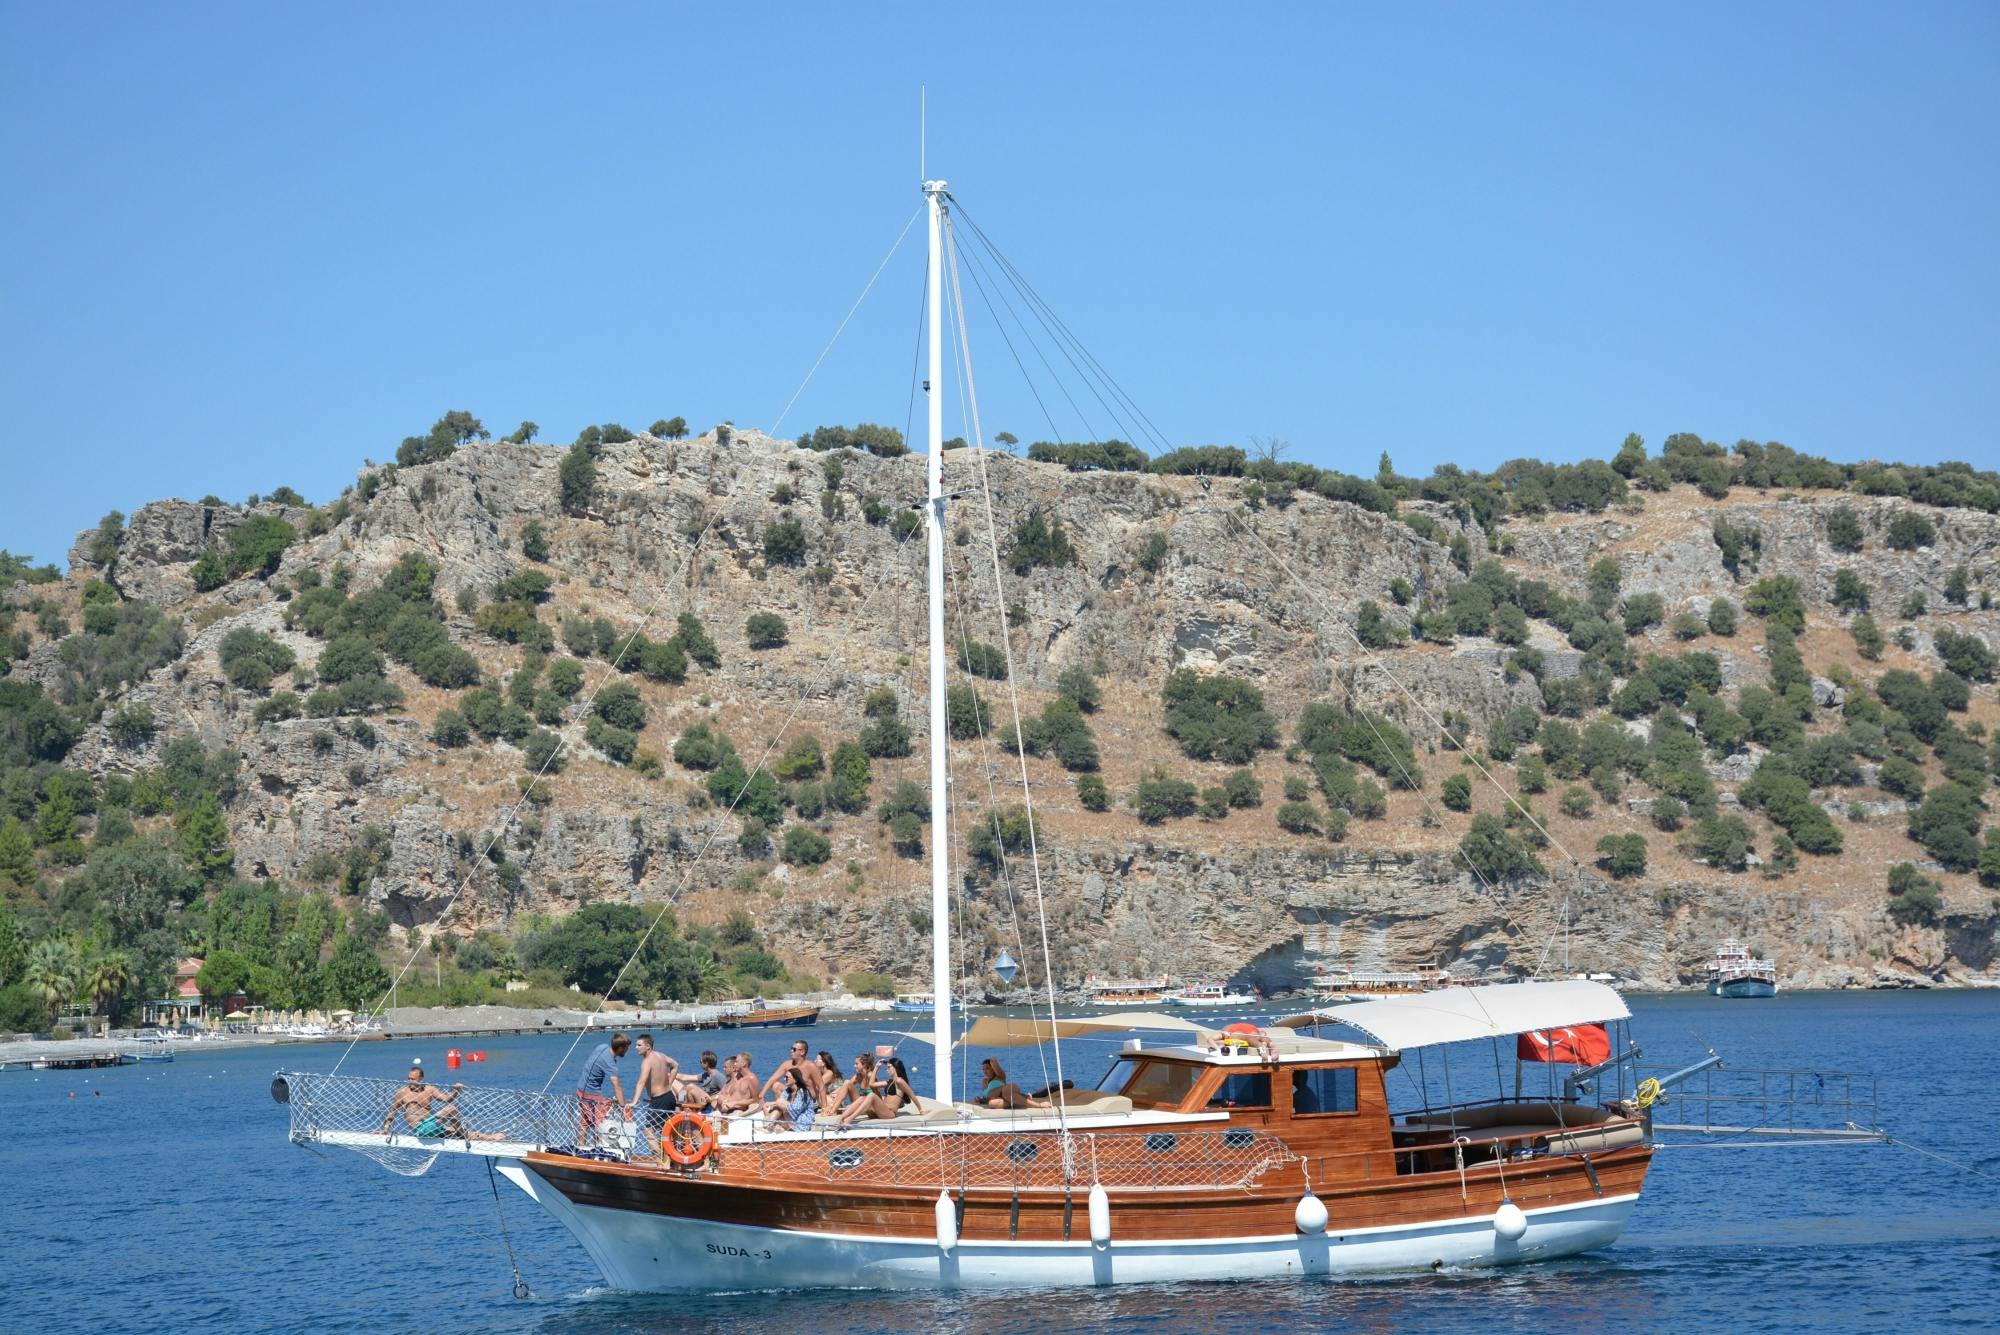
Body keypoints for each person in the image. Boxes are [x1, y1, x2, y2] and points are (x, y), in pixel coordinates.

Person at [382, 1064, 502, 1140]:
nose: (410, 1081)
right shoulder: (402, 1092)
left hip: (432, 1125)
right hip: (421, 1129)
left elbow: (446, 1099)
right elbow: (392, 1112)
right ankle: (462, 1135)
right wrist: (385, 1129)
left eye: (413, 1079)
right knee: (451, 1110)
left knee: (456, 1130)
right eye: (408, 1078)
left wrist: (456, 1091)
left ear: (421, 1079)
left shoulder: (430, 1089)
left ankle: (492, 1137)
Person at [576, 1032, 631, 1144]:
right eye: (626, 1048)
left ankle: (580, 1148)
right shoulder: (610, 1064)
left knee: (584, 1123)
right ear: (620, 1048)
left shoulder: (602, 1047)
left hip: (580, 1089)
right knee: (600, 1124)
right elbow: (616, 1084)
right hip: (592, 1094)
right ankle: (598, 1150)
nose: (627, 1050)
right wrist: (623, 1107)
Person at [836, 1051, 916, 1125]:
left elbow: (912, 1095)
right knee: (863, 1097)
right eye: (887, 1068)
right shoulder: (889, 1081)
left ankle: (850, 1119)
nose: (887, 1070)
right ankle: (841, 1118)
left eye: (889, 1067)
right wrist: (876, 1068)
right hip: (880, 1111)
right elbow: (872, 1084)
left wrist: (921, 1110)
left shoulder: (900, 1081)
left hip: (889, 1113)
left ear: (896, 1068)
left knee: (871, 1095)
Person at [631, 1033, 679, 1156]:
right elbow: (675, 1065)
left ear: (648, 1046)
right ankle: (668, 1159)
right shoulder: (661, 1056)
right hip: (669, 1097)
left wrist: (634, 1102)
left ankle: (660, 1159)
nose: (636, 1048)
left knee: (648, 1130)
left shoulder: (647, 1061)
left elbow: (641, 1082)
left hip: (659, 1100)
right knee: (665, 1131)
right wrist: (669, 1084)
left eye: (639, 1045)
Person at [762, 1039, 825, 1106]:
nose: (791, 1051)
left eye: (794, 1049)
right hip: (793, 1098)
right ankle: (782, 1108)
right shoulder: (786, 1064)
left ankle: (783, 1106)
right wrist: (761, 1095)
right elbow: (773, 1078)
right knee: (776, 1085)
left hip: (807, 1101)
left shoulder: (810, 1066)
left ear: (802, 1052)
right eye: (791, 1049)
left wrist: (825, 1107)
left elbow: (821, 1086)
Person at [976, 1057, 1051, 1110]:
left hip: (1008, 1091)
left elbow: (993, 1061)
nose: (984, 1071)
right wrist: (980, 1099)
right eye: (983, 1069)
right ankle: (1021, 1099)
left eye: (987, 1068)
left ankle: (1039, 1105)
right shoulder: (984, 1081)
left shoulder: (1000, 1076)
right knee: (992, 1103)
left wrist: (992, 1061)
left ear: (993, 1069)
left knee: (1005, 1092)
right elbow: (987, 1097)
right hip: (1002, 1099)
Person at [716, 1051, 761, 1116]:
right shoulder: (736, 1077)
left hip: (738, 1111)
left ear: (744, 1063)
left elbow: (756, 1100)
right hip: (726, 1109)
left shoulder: (751, 1078)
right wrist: (724, 1100)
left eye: (736, 1062)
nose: (734, 1064)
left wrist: (735, 1103)